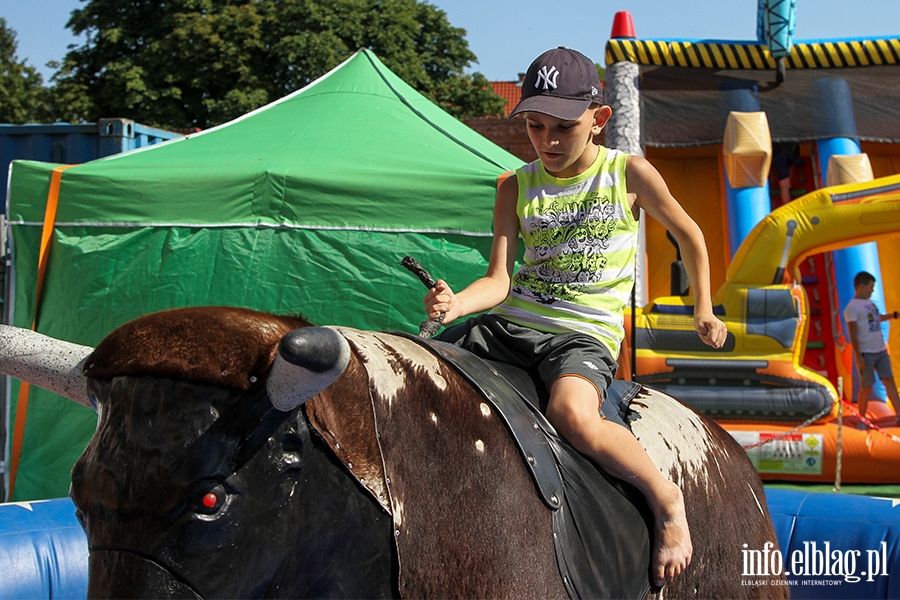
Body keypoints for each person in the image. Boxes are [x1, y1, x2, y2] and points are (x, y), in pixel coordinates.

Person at [423, 47, 728, 587]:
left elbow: (690, 234)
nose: (548, 140)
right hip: (513, 321)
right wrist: (456, 303)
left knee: (573, 413)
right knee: (424, 376)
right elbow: (497, 281)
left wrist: (703, 307)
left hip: (581, 333)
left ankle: (666, 500)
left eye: (563, 127)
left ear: (599, 119)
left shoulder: (627, 173)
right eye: (536, 126)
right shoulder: (514, 185)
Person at [843, 270, 900, 428]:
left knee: (889, 382)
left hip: (880, 350)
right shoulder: (852, 308)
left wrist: (893, 316)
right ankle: (862, 418)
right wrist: (858, 356)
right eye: (870, 287)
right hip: (866, 353)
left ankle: (899, 414)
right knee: (866, 386)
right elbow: (853, 333)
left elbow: (876, 318)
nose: (872, 290)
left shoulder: (870, 304)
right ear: (861, 286)